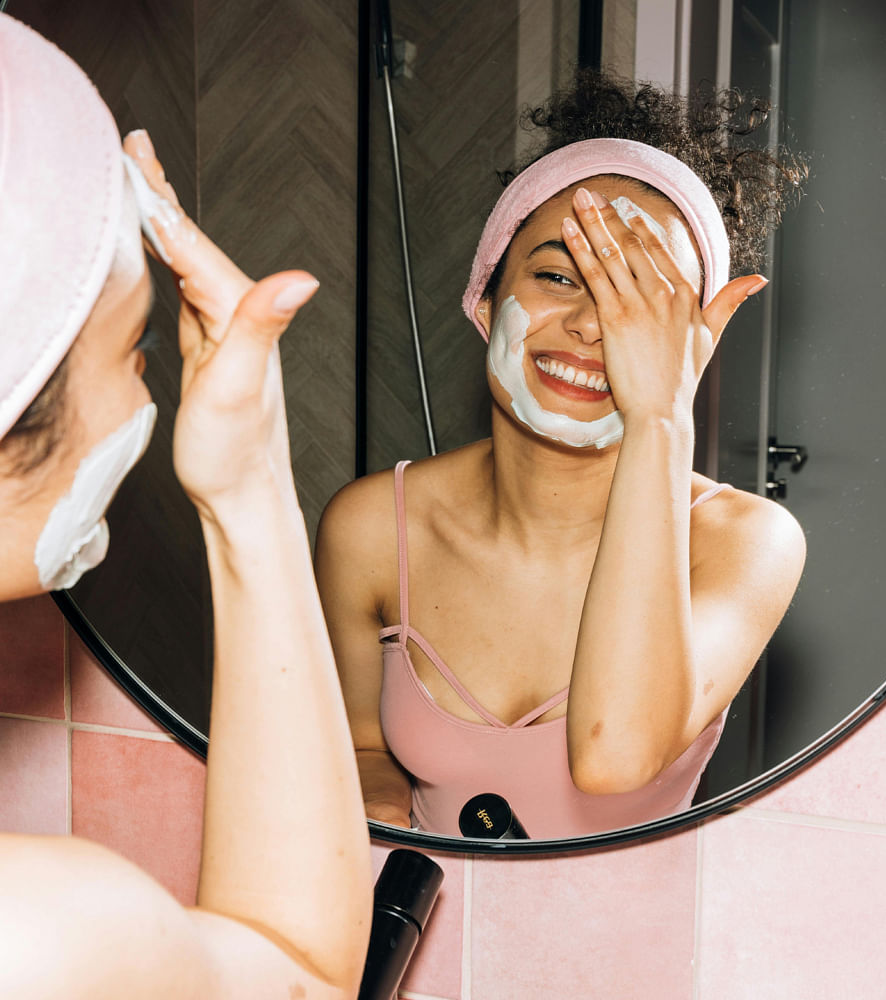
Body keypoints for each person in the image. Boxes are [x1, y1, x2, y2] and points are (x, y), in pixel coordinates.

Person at [316, 70, 808, 839]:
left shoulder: (745, 543)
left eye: (639, 302)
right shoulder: (373, 526)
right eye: (555, 276)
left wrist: (659, 417)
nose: (590, 325)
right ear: (485, 294)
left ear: (693, 346)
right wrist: (379, 810)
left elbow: (615, 758)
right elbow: (363, 745)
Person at [0, 15, 369, 997]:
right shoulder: (40, 939)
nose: (149, 395)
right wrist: (249, 488)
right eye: (135, 349)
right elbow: (297, 970)